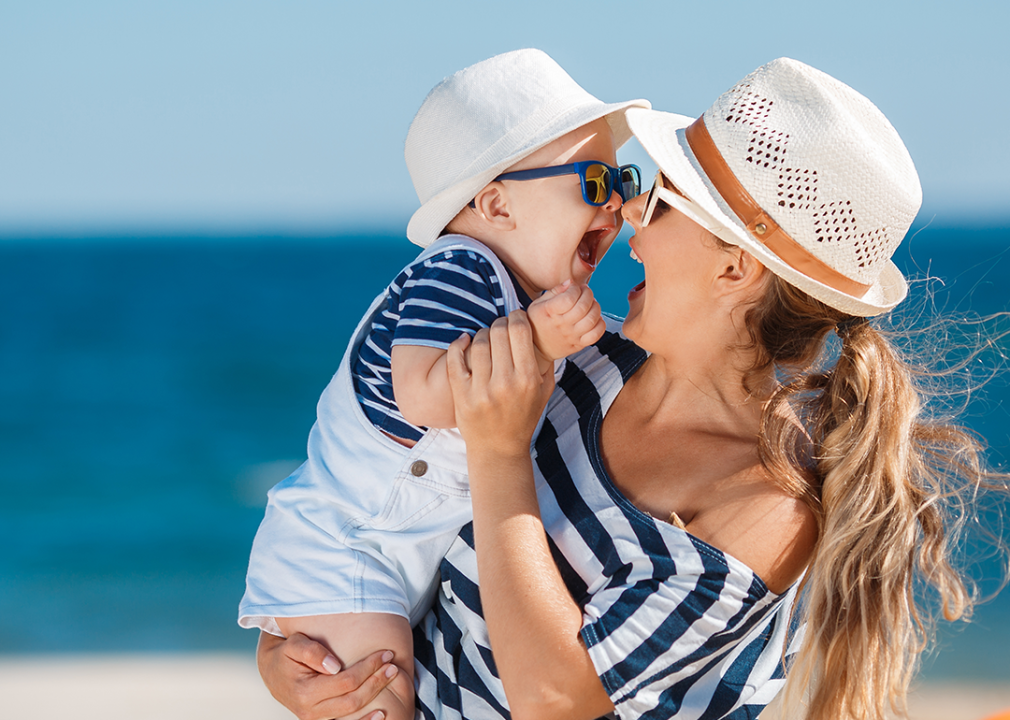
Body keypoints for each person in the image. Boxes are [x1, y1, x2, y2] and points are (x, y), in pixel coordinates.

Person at [259, 58, 1004, 720]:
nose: (631, 224)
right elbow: (384, 518)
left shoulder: (764, 509)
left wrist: (499, 454)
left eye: (660, 201)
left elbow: (556, 700)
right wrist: (295, 656)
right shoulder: (583, 366)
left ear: (734, 270)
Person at [238, 49, 649, 720]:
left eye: (623, 180)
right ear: (495, 204)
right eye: (596, 182)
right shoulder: (463, 267)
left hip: (395, 550)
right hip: (348, 542)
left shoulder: (516, 293)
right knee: (376, 698)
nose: (618, 207)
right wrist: (540, 342)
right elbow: (423, 394)